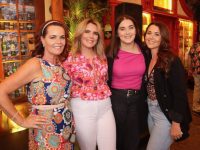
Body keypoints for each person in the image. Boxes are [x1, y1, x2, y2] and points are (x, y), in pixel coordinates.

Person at [0, 20, 75, 150]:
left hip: (66, 127)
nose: (59, 41)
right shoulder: (35, 64)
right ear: (43, 40)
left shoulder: (60, 63)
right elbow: (1, 91)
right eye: (52, 37)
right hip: (46, 130)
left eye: (62, 37)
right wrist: (21, 121)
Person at [63, 18, 116, 150]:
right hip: (82, 108)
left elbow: (105, 80)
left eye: (95, 33)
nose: (91, 36)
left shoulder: (102, 56)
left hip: (105, 106)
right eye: (87, 31)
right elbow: (63, 87)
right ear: (80, 34)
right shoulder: (69, 58)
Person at [144, 22, 192, 150]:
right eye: (149, 33)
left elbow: (180, 93)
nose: (151, 37)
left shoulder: (171, 60)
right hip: (151, 112)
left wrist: (176, 122)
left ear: (162, 38)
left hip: (165, 114)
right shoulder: (147, 57)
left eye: (156, 34)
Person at [106, 15, 148, 150]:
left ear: (136, 29)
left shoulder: (144, 50)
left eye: (131, 27)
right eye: (122, 29)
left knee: (133, 139)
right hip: (116, 100)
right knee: (115, 138)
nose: (127, 32)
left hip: (137, 100)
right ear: (117, 33)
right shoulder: (110, 52)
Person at [188, 42, 200, 114]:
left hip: (195, 71)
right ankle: (195, 107)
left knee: (197, 88)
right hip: (197, 71)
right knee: (197, 88)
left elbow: (189, 58)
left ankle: (196, 106)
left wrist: (189, 68)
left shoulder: (194, 46)